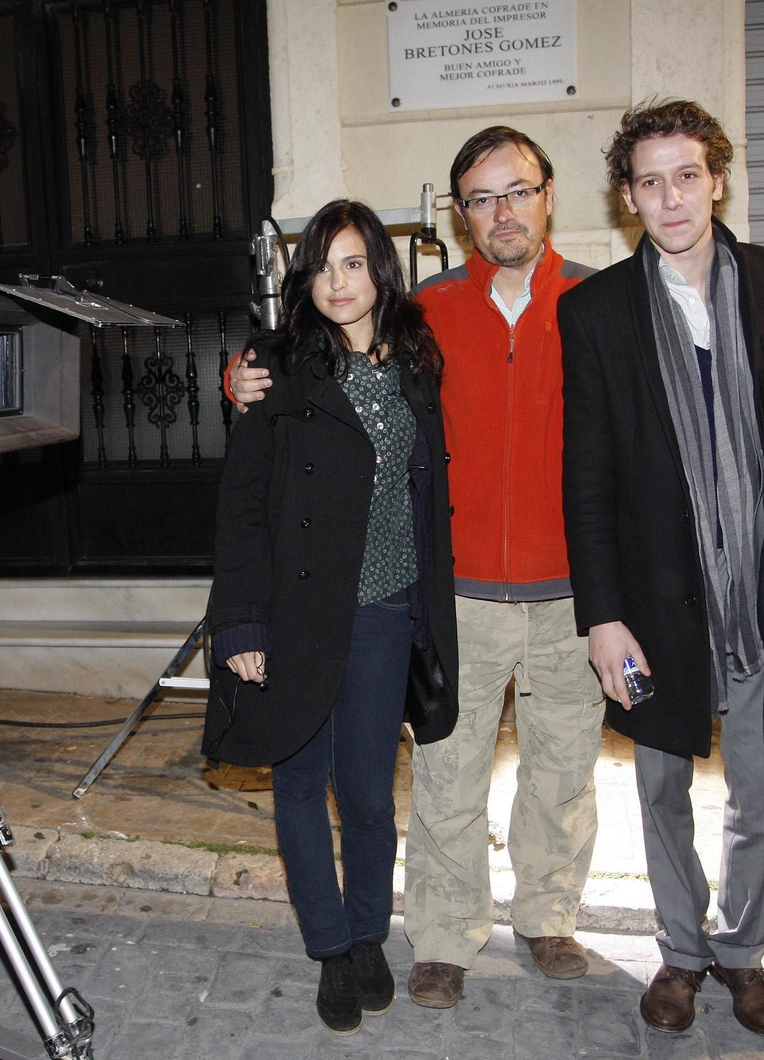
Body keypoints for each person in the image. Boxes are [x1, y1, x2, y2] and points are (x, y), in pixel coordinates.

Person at [230, 126, 606, 1007]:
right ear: (459, 213)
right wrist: (241, 375)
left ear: (550, 193)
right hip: (459, 591)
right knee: (445, 777)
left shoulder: (598, 302)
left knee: (561, 772)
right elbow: (299, 376)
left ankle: (549, 918)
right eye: (480, 197)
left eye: (516, 191)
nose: (501, 211)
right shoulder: (428, 311)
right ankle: (439, 938)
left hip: (567, 592)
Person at [558, 99, 764, 1038]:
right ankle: (681, 949)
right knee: (661, 784)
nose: (671, 198)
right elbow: (583, 477)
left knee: (757, 785)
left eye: (688, 176)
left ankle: (744, 956)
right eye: (650, 182)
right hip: (654, 598)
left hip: (759, 589)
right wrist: (602, 616)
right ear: (628, 197)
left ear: (718, 178)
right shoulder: (593, 312)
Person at [203, 199, 459, 1036]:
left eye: (352, 264)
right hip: (295, 614)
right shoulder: (276, 366)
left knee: (371, 794)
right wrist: (239, 623)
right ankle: (328, 948)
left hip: (387, 609)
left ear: (380, 270)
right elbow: (241, 504)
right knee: (299, 784)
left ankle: (367, 935)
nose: (337, 283)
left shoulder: (418, 362)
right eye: (320, 266)